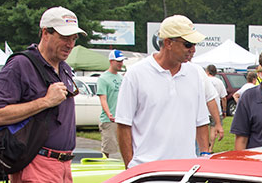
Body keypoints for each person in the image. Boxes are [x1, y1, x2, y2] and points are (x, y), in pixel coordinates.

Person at [0, 6, 86, 183]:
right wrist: (44, 102)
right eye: (64, 37)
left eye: (74, 38)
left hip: (64, 165)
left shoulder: (64, 67)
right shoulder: (21, 64)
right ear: (45, 33)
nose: (70, 44)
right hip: (36, 164)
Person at [115, 15, 211, 168]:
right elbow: (123, 124)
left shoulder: (194, 73)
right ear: (168, 43)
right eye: (188, 44)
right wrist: (131, 167)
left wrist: (205, 155)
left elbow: (201, 122)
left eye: (194, 44)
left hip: (185, 170)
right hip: (148, 170)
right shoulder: (136, 74)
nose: (193, 50)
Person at [97, 49, 125, 158]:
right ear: (111, 61)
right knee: (109, 147)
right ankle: (104, 166)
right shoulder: (103, 78)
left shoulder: (122, 78)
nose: (120, 63)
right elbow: (103, 98)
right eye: (118, 61)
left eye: (122, 61)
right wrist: (109, 113)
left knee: (124, 145)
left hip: (121, 118)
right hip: (109, 119)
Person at [206, 65, 227, 147]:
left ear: (207, 71)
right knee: (213, 128)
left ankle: (203, 148)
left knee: (203, 129)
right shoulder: (219, 82)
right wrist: (224, 110)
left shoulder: (204, 80)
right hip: (216, 109)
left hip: (204, 109)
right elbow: (224, 97)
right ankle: (210, 148)